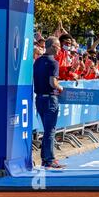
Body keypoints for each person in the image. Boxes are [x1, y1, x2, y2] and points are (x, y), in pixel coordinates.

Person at [33, 37, 65, 169]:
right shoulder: (53, 63)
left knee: (47, 131)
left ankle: (46, 158)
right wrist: (60, 88)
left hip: (39, 98)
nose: (60, 49)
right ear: (52, 46)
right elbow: (53, 83)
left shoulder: (38, 62)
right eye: (58, 46)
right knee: (50, 131)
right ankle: (49, 159)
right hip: (50, 99)